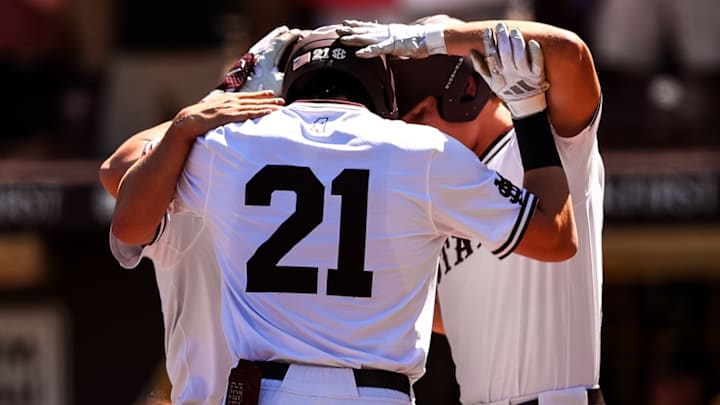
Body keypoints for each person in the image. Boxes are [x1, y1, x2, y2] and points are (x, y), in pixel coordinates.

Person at [110, 25, 577, 404]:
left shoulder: (229, 145)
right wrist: (529, 113)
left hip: (265, 390)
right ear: (381, 93)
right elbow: (556, 238)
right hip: (375, 394)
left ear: (283, 90)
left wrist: (207, 109)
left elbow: (125, 199)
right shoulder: (423, 150)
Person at [338, 15, 604, 405]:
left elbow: (570, 53)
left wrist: (431, 39)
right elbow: (455, 312)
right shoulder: (436, 188)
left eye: (416, 118)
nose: (406, 136)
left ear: (464, 92)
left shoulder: (546, 144)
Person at [99, 28, 298, 405]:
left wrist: (216, 101)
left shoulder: (201, 169)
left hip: (222, 390)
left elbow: (117, 170)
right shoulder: (352, 165)